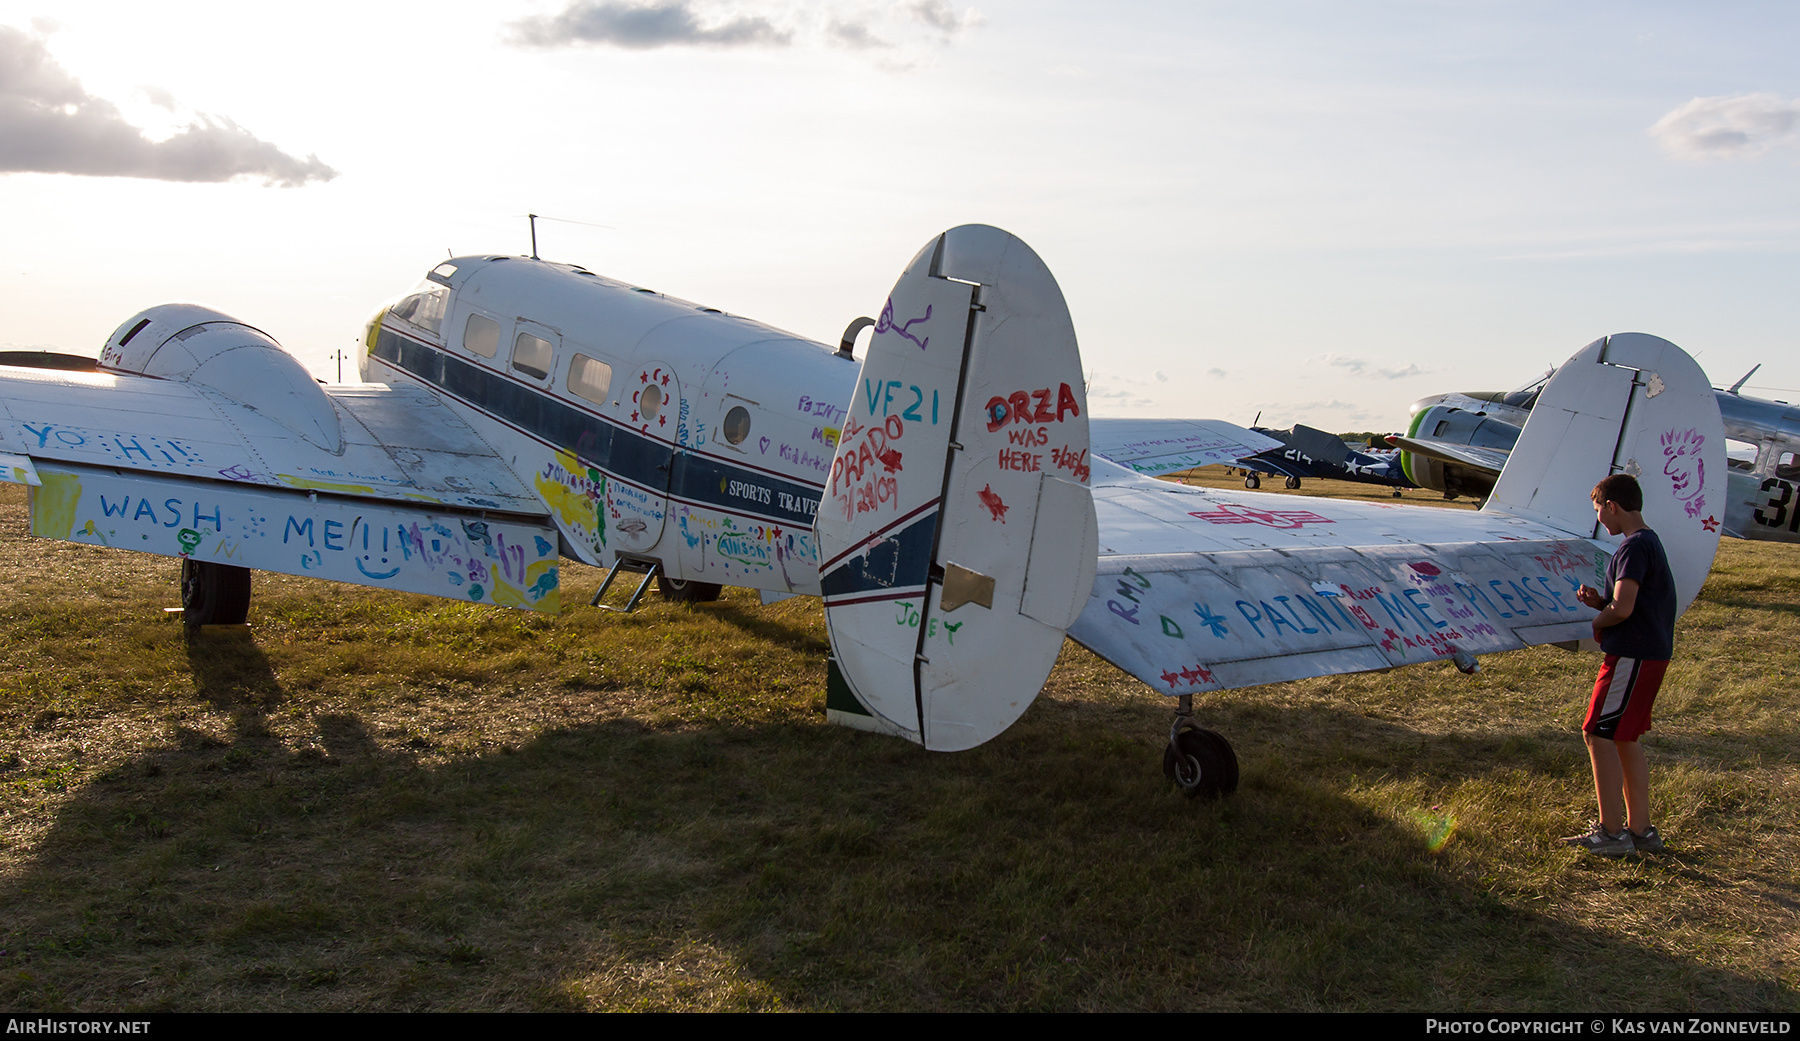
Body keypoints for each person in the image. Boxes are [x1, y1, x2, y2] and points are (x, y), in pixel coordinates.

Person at [1567, 473, 1677, 856]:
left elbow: (1624, 607)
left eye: (1599, 510)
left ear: (1612, 506)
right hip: (1651, 653)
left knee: (1597, 733)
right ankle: (1641, 831)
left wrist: (1599, 620)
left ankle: (1612, 833)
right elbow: (1633, 603)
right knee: (1624, 737)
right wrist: (1601, 603)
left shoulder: (1632, 548)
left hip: (1632, 656)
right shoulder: (1651, 542)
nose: (1600, 518)